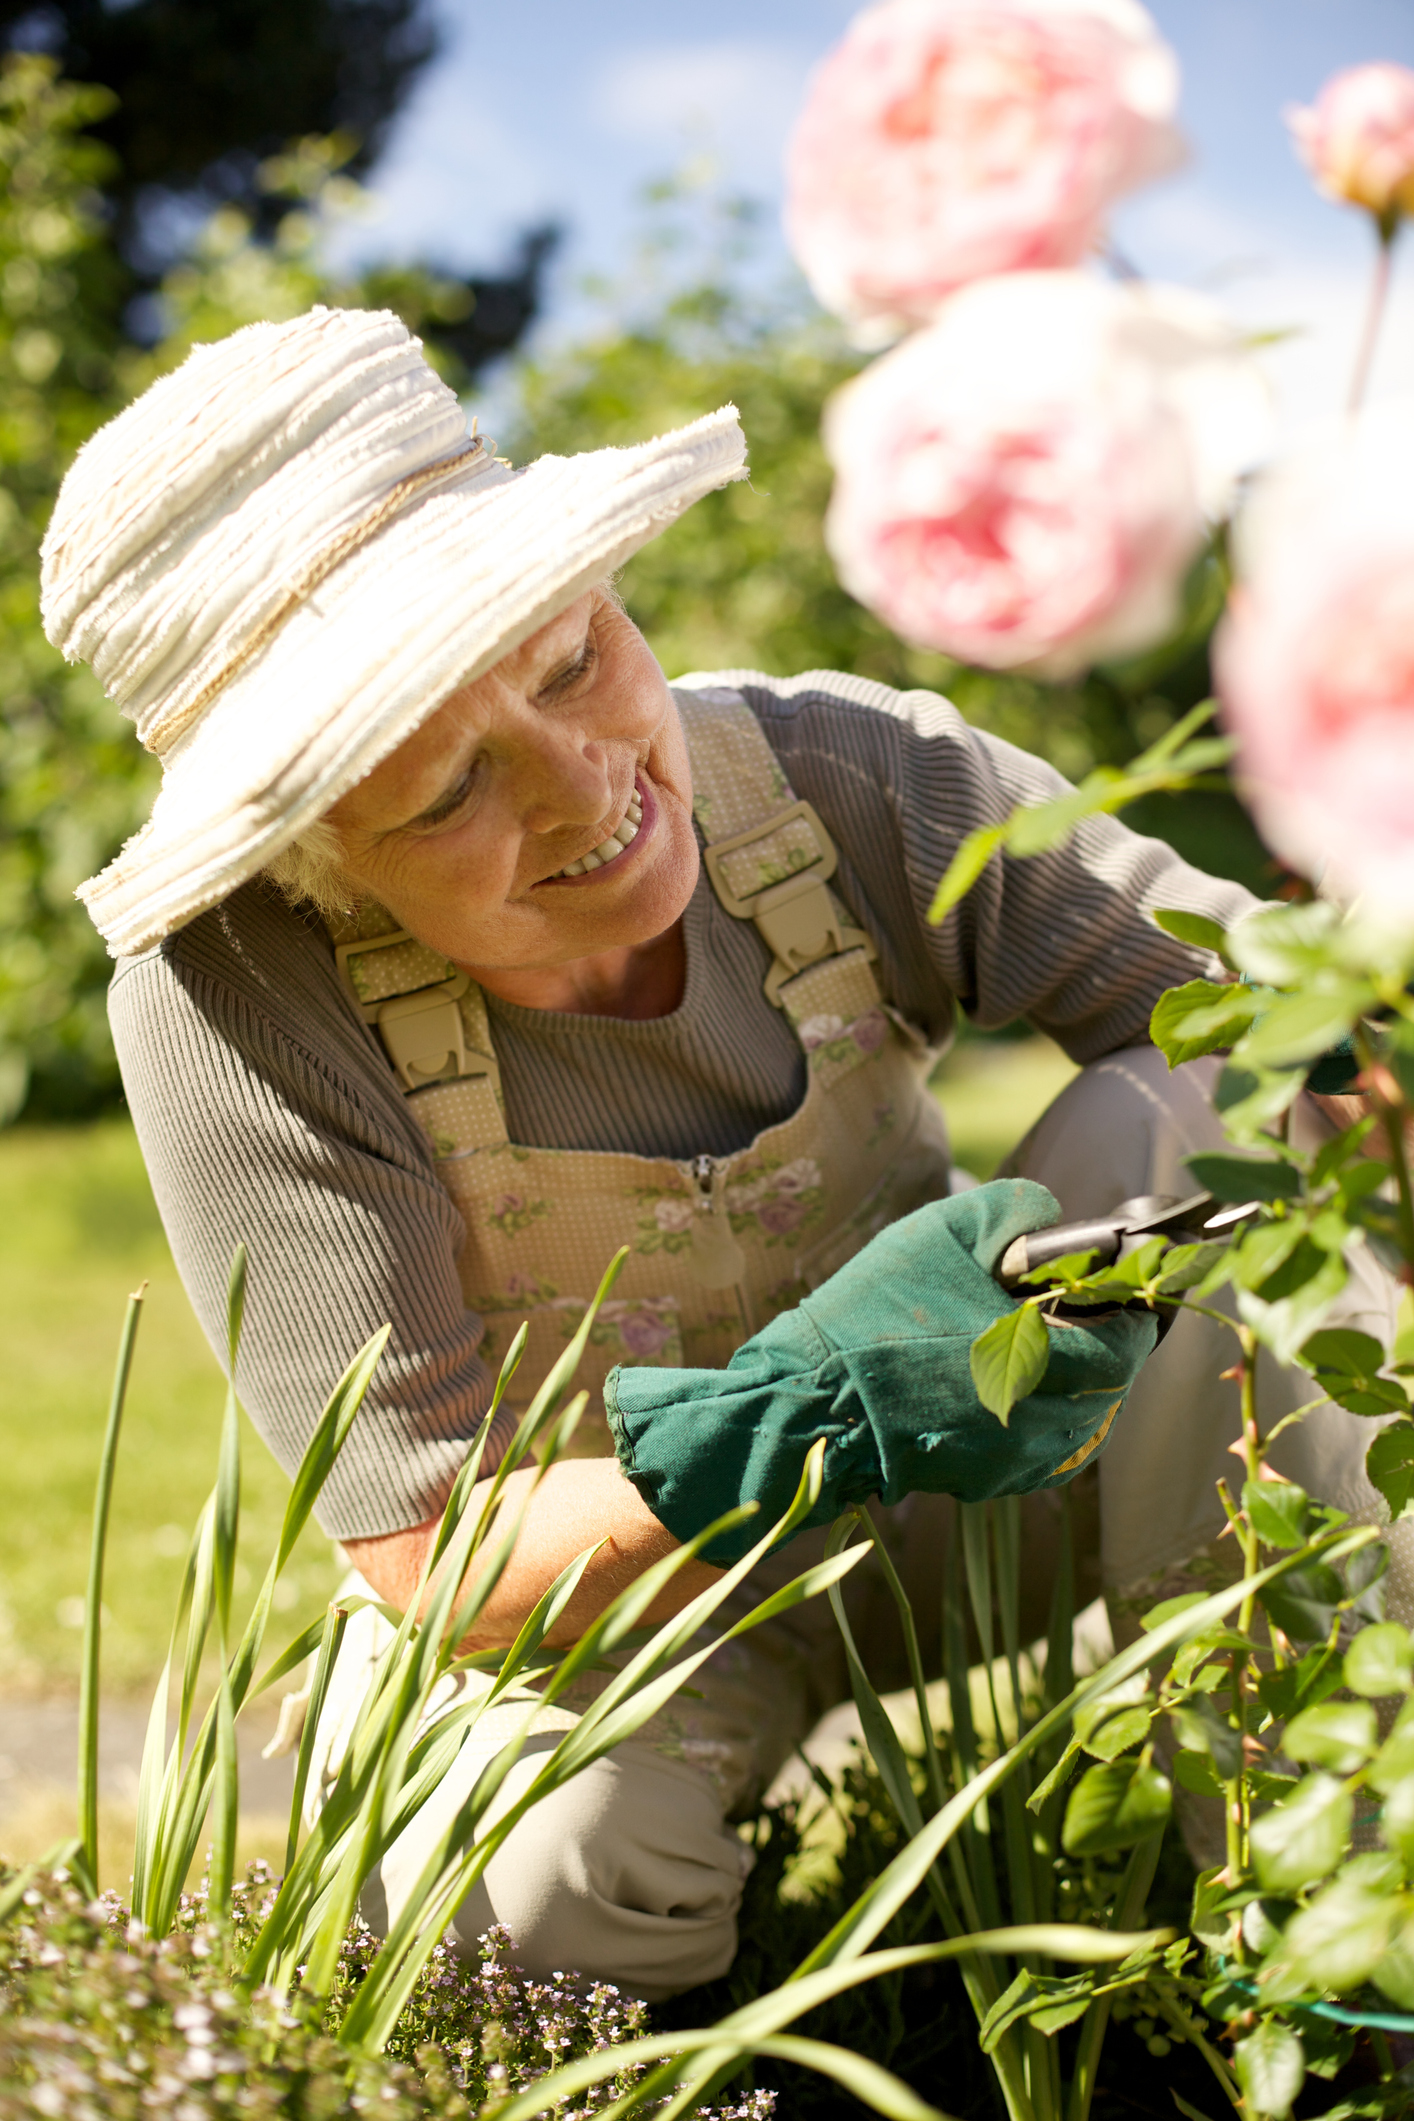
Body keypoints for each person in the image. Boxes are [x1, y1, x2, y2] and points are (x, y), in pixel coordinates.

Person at [44, 304, 1403, 1998]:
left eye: (567, 660)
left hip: (999, 1472)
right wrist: (784, 1419)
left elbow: (1315, 1039)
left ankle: (1341, 1947)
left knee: (1218, 1094)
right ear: (311, 848)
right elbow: (426, 1556)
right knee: (504, 1900)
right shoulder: (239, 997)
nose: (585, 788)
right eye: (449, 788)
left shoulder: (843, 776)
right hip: (631, 1610)